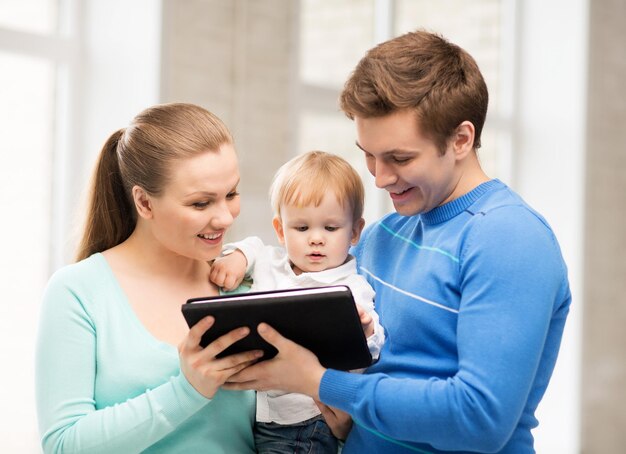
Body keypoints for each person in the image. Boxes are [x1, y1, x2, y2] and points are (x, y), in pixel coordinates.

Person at [223, 30, 572, 453]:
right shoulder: (378, 238)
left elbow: (480, 417)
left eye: (400, 158)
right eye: (368, 154)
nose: (379, 177)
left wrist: (319, 383)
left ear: (460, 139)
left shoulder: (510, 239)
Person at [35, 103, 262, 453]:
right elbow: (64, 445)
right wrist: (186, 390)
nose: (224, 218)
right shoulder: (78, 292)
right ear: (143, 202)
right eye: (201, 204)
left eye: (230, 194)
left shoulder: (246, 283)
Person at [210, 150, 385, 454]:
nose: (316, 239)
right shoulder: (271, 263)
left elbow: (374, 347)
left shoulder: (350, 287)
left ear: (355, 231)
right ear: (280, 230)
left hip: (309, 420)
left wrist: (366, 330)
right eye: (302, 228)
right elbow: (252, 246)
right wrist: (236, 257)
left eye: (330, 228)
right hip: (259, 415)